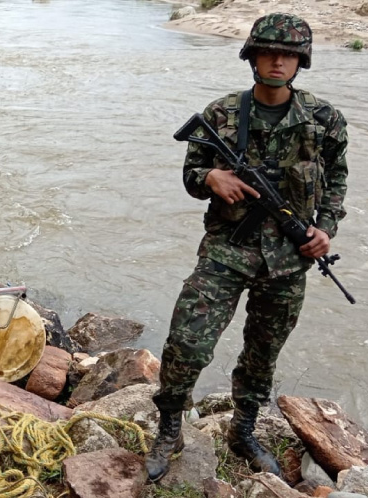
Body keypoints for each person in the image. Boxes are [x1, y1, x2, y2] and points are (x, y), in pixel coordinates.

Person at [146, 13, 348, 482]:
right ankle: (170, 428)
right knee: (187, 344)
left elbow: (337, 179)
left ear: (301, 62)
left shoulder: (323, 119)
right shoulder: (222, 114)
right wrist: (210, 177)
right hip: (225, 251)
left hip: (288, 262)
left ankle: (244, 430)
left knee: (263, 353)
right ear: (252, 55)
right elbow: (191, 176)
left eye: (290, 55)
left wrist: (326, 229)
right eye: (269, 52)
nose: (278, 61)